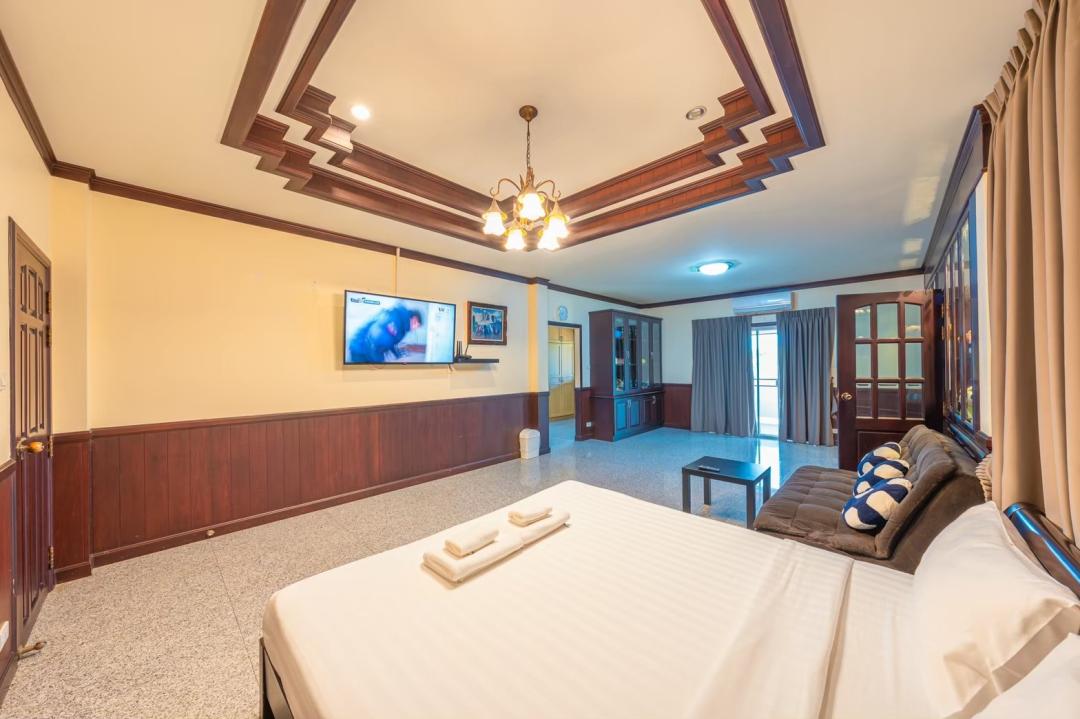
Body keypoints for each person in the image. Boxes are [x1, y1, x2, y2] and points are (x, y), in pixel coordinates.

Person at [348, 305, 423, 362]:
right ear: (414, 319)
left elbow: (391, 341)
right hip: (359, 348)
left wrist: (397, 354)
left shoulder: (402, 327)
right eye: (417, 325)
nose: (415, 328)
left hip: (367, 348)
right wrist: (379, 362)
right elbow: (374, 340)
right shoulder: (395, 318)